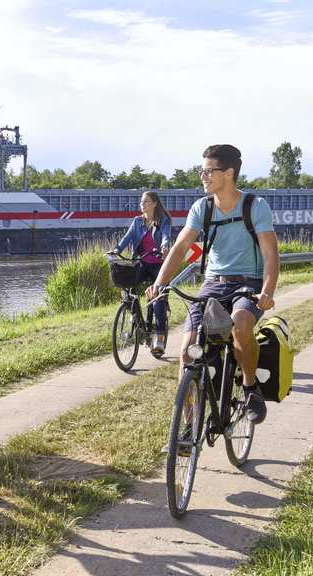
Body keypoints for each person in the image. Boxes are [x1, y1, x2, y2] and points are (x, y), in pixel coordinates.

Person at [146, 145, 279, 424]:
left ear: (228, 173)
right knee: (187, 351)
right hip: (212, 284)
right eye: (201, 170)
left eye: (209, 171)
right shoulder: (202, 208)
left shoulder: (255, 206)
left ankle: (250, 387)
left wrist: (266, 291)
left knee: (241, 324)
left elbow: (270, 254)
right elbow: (181, 247)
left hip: (248, 284)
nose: (202, 176)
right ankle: (188, 425)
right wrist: (160, 283)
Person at [110, 191, 172, 354]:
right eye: (141, 202)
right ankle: (138, 323)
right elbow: (127, 238)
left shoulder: (163, 220)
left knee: (158, 297)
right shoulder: (137, 221)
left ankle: (159, 338)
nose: (142, 204)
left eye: (145, 202)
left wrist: (165, 247)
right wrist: (116, 250)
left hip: (159, 265)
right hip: (142, 263)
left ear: (154, 204)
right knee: (128, 288)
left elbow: (166, 236)